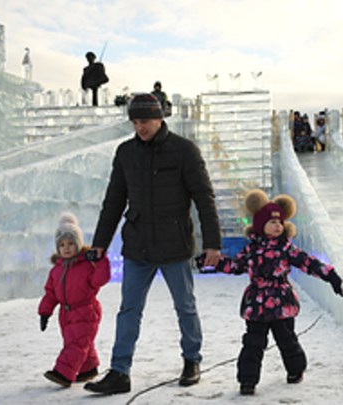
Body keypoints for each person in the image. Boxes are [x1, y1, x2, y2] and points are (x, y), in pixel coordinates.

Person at [84, 94, 222, 395]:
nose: (139, 127)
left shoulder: (184, 151)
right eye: (134, 122)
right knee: (129, 309)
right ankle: (120, 371)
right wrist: (100, 244)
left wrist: (213, 244)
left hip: (175, 245)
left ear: (160, 119)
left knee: (185, 306)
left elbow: (204, 198)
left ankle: (191, 361)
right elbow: (114, 200)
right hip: (137, 245)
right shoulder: (125, 153)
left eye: (144, 121)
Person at [195, 189, 343, 396]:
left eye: (280, 222)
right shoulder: (251, 250)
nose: (278, 225)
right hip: (257, 305)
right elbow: (235, 266)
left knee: (287, 339)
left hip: (281, 303)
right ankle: (247, 381)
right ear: (260, 225)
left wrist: (332, 278)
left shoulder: (287, 248)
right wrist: (211, 263)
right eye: (272, 222)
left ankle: (295, 370)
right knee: (252, 343)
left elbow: (308, 263)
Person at [39, 213, 112, 388]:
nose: (66, 248)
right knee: (79, 342)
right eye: (62, 244)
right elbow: (50, 293)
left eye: (71, 243)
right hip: (66, 313)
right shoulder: (56, 270)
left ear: (78, 244)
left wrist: (101, 261)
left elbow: (100, 279)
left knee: (75, 344)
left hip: (86, 310)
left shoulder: (87, 266)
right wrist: (45, 312)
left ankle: (63, 373)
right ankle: (88, 368)